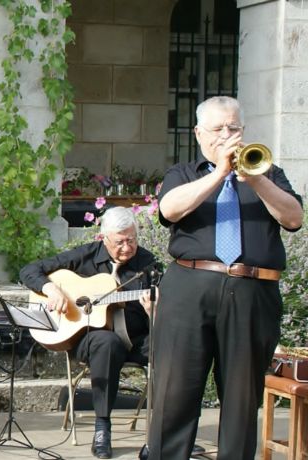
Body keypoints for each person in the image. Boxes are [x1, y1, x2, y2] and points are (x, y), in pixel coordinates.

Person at [145, 96, 303, 459]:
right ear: (199, 133)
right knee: (174, 393)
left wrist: (256, 180)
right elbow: (169, 209)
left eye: (234, 128)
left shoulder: (269, 173)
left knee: (242, 399)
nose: (227, 135)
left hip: (252, 291)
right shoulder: (183, 173)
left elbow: (293, 218)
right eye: (218, 129)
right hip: (189, 287)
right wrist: (219, 172)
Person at [20, 206, 157, 458]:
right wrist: (52, 290)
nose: (127, 248)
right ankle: (102, 427)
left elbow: (164, 307)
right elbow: (29, 270)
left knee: (173, 345)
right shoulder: (85, 256)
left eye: (131, 240)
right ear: (104, 238)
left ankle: (167, 431)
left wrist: (155, 312)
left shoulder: (147, 264)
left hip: (136, 339)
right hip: (89, 340)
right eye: (119, 242)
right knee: (107, 342)